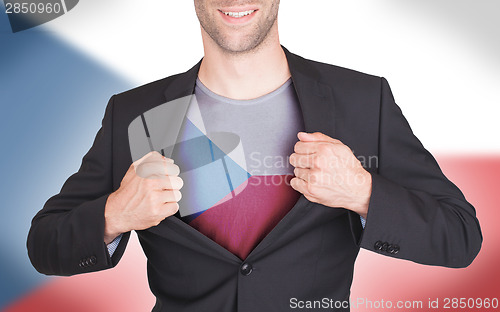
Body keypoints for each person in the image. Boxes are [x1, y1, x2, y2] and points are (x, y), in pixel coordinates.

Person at [27, 1, 482, 311]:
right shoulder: (135, 113)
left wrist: (363, 192)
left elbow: (460, 236)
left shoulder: (363, 100)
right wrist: (114, 214)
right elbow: (45, 245)